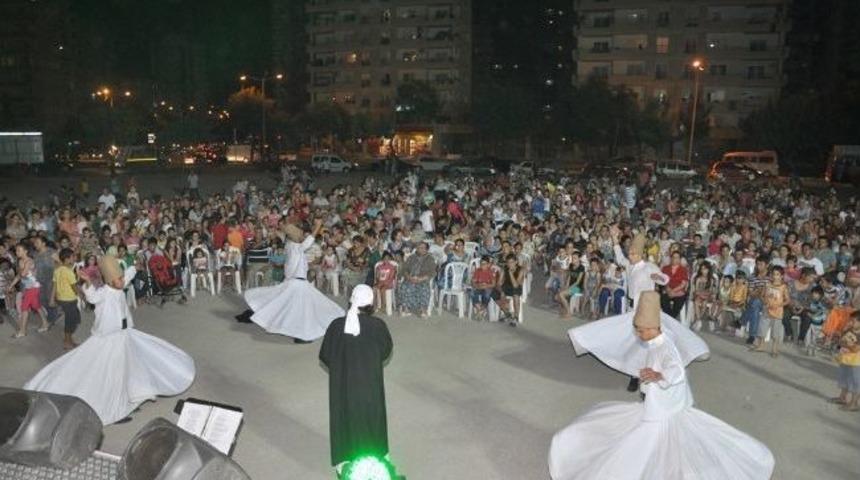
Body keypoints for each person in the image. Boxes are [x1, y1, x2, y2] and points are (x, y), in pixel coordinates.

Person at [550, 292, 774, 480]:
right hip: (659, 403)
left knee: (651, 445)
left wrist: (659, 375)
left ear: (653, 327)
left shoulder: (666, 347)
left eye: (640, 330)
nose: (638, 334)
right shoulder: (655, 341)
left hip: (662, 408)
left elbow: (676, 370)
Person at [24, 255, 195, 425]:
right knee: (112, 374)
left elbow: (127, 276)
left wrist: (135, 267)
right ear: (109, 281)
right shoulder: (104, 292)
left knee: (129, 366)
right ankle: (114, 409)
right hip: (108, 339)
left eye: (121, 278)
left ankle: (130, 397)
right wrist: (88, 282)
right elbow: (92, 297)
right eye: (118, 279)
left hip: (124, 335)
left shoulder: (120, 285)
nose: (121, 281)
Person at [320, 285, 393, 477]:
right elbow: (386, 351)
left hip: (342, 385)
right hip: (370, 382)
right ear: (371, 304)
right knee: (373, 415)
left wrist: (342, 367)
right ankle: (378, 455)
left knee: (344, 417)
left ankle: (344, 461)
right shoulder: (378, 326)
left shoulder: (336, 326)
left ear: (351, 300)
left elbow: (325, 356)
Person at [237, 220, 345, 343]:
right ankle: (301, 334)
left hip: (295, 282)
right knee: (300, 309)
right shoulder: (295, 246)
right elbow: (307, 242)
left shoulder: (291, 245)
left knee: (281, 304)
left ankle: (253, 314)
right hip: (296, 283)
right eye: (299, 234)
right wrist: (318, 226)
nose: (302, 236)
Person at [53, 248, 81, 350]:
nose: (75, 258)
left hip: (61, 298)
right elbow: (74, 287)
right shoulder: (69, 272)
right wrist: (82, 296)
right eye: (73, 257)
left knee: (74, 319)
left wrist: (53, 298)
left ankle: (69, 339)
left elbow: (55, 285)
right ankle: (67, 341)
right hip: (69, 299)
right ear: (67, 259)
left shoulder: (57, 270)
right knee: (71, 321)